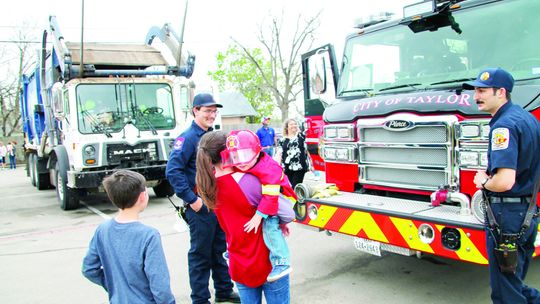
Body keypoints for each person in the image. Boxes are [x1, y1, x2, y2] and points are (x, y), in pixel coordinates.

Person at [463, 67, 540, 304]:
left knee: (505, 291)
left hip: (507, 217)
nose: (476, 96)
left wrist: (484, 182)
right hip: (527, 212)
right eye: (476, 90)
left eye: (483, 90)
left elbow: (505, 181)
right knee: (513, 280)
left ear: (502, 92)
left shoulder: (503, 127)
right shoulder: (527, 119)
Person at [195, 131, 291, 304]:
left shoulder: (208, 185)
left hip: (239, 262)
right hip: (267, 262)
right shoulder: (251, 182)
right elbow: (288, 213)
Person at [165, 93, 239, 304]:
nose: (212, 115)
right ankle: (200, 299)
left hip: (218, 205)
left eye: (214, 111)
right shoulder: (187, 138)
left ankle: (224, 291)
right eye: (207, 111)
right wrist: (192, 200)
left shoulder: (213, 136)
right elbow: (173, 171)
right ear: (195, 111)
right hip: (200, 206)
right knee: (200, 255)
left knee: (220, 250)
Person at [82, 170, 175, 304]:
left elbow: (89, 269)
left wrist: (113, 285)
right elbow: (159, 284)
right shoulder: (148, 235)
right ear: (143, 196)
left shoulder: (102, 230)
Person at [221, 130, 296, 282]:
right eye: (235, 156)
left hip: (282, 198)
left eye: (245, 155)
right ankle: (235, 252)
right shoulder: (245, 162)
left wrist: (259, 215)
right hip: (267, 199)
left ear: (257, 152)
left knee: (269, 224)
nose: (241, 162)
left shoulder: (269, 168)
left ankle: (282, 262)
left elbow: (270, 196)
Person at [276, 119, 312, 189]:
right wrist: (278, 166)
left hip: (300, 167)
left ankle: (295, 199)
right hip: (287, 167)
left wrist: (311, 164)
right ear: (287, 127)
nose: (294, 125)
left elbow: (307, 149)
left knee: (295, 187)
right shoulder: (282, 140)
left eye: (295, 124)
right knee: (289, 187)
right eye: (291, 124)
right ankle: (294, 199)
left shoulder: (301, 136)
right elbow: (279, 154)